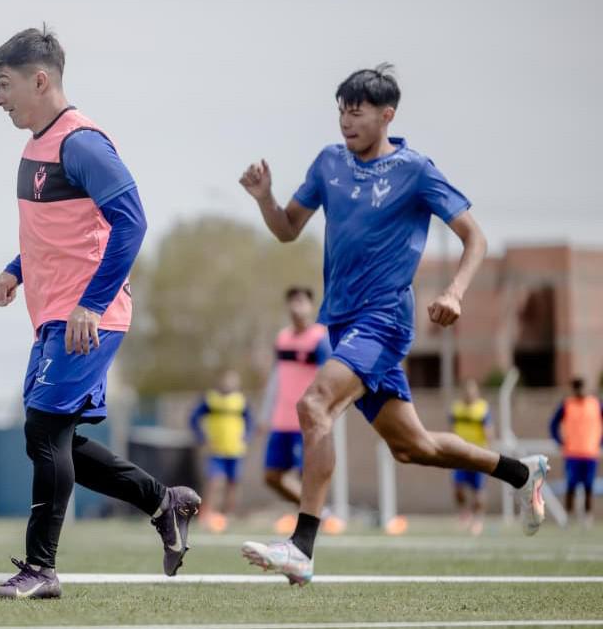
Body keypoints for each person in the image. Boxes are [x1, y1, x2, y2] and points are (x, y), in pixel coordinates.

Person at [237, 64, 549, 586]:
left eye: (357, 110)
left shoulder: (416, 170)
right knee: (413, 447)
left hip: (383, 321)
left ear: (387, 115)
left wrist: (454, 291)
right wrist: (265, 198)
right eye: (341, 109)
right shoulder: (328, 163)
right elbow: (289, 229)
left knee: (315, 405)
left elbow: (476, 238)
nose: (346, 120)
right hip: (341, 324)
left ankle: (302, 547)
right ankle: (521, 471)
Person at [0, 26, 200, 600]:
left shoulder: (82, 143)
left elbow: (132, 221)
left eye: (4, 85)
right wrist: (14, 270)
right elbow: (59, 233)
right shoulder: (34, 149)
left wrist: (92, 304)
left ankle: (40, 570)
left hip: (88, 318)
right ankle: (162, 502)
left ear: (40, 79)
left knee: (43, 429)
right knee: (55, 439)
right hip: (53, 315)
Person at [257, 287, 336, 533]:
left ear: (311, 306)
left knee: (309, 475)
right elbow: (275, 377)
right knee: (272, 476)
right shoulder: (282, 338)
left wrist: (327, 410)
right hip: (281, 419)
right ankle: (319, 514)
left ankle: (311, 521)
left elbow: (329, 378)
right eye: (292, 301)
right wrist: (265, 413)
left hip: (307, 421)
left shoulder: (319, 339)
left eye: (301, 301)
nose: (296, 306)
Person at [190, 369, 252, 528]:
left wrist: (246, 437)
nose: (229, 383)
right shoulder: (211, 399)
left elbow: (250, 421)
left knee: (233, 483)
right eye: (226, 380)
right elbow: (193, 418)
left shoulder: (240, 401)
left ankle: (228, 515)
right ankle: (206, 513)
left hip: (235, 449)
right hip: (216, 449)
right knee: (214, 482)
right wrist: (202, 438)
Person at [549, 377, 603, 524]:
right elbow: (553, 424)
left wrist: (600, 442)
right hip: (572, 453)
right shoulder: (567, 405)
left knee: (589, 487)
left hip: (590, 453)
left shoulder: (596, 404)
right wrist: (559, 440)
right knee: (571, 486)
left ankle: (588, 517)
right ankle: (569, 516)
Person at [450, 378, 494, 535]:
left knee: (478, 491)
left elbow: (489, 431)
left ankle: (478, 520)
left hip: (477, 453)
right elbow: (451, 429)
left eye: (472, 390)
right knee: (458, 488)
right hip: (460, 455)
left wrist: (488, 451)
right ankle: (464, 513)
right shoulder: (456, 408)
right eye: (467, 390)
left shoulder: (482, 408)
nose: (469, 393)